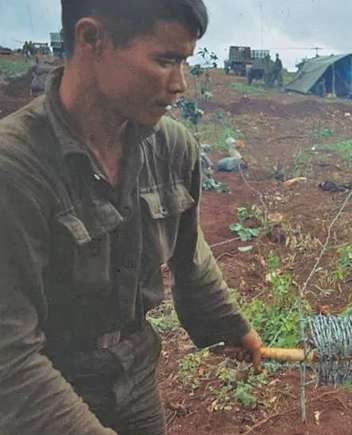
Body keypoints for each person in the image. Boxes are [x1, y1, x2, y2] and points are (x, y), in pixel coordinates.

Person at [0, 1, 263, 434]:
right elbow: (9, 356)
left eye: (185, 62)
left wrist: (228, 326)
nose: (180, 84)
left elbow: (188, 250)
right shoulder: (16, 170)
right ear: (91, 40)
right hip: (43, 390)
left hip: (133, 376)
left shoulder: (172, 148)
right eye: (165, 60)